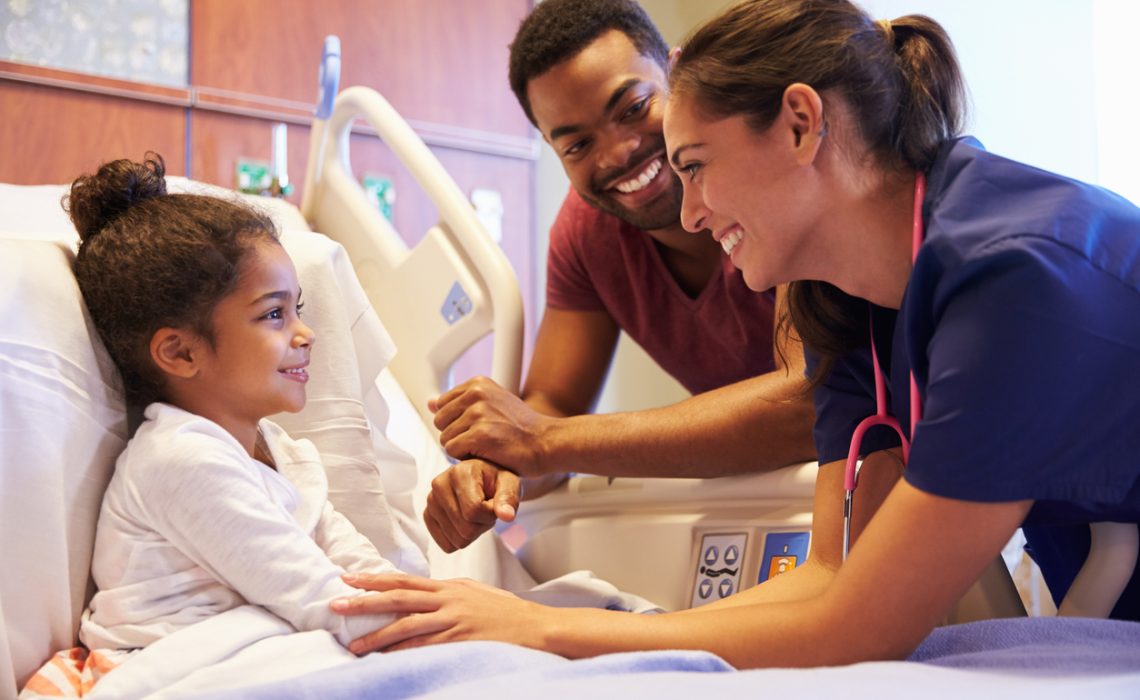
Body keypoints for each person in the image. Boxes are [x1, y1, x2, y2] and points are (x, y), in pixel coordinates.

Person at [333, 0, 1140, 667]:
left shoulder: (1015, 278)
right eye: (574, 142)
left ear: (799, 124)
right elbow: (832, 576)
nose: (684, 214)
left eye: (694, 166)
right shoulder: (847, 301)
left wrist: (541, 630)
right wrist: (591, 637)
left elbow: (861, 626)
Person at [423, 0, 816, 554]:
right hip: (775, 499)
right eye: (577, 145)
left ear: (677, 74)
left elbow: (805, 404)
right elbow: (553, 402)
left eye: (633, 108)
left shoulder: (774, 175)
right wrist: (498, 469)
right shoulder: (587, 236)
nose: (619, 153)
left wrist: (543, 441)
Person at [64, 155, 401, 660]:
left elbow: (363, 575)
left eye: (298, 310)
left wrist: (449, 608)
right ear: (181, 352)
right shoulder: (179, 462)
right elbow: (334, 605)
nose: (306, 334)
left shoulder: (278, 451)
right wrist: (477, 629)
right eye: (273, 314)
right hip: (186, 669)